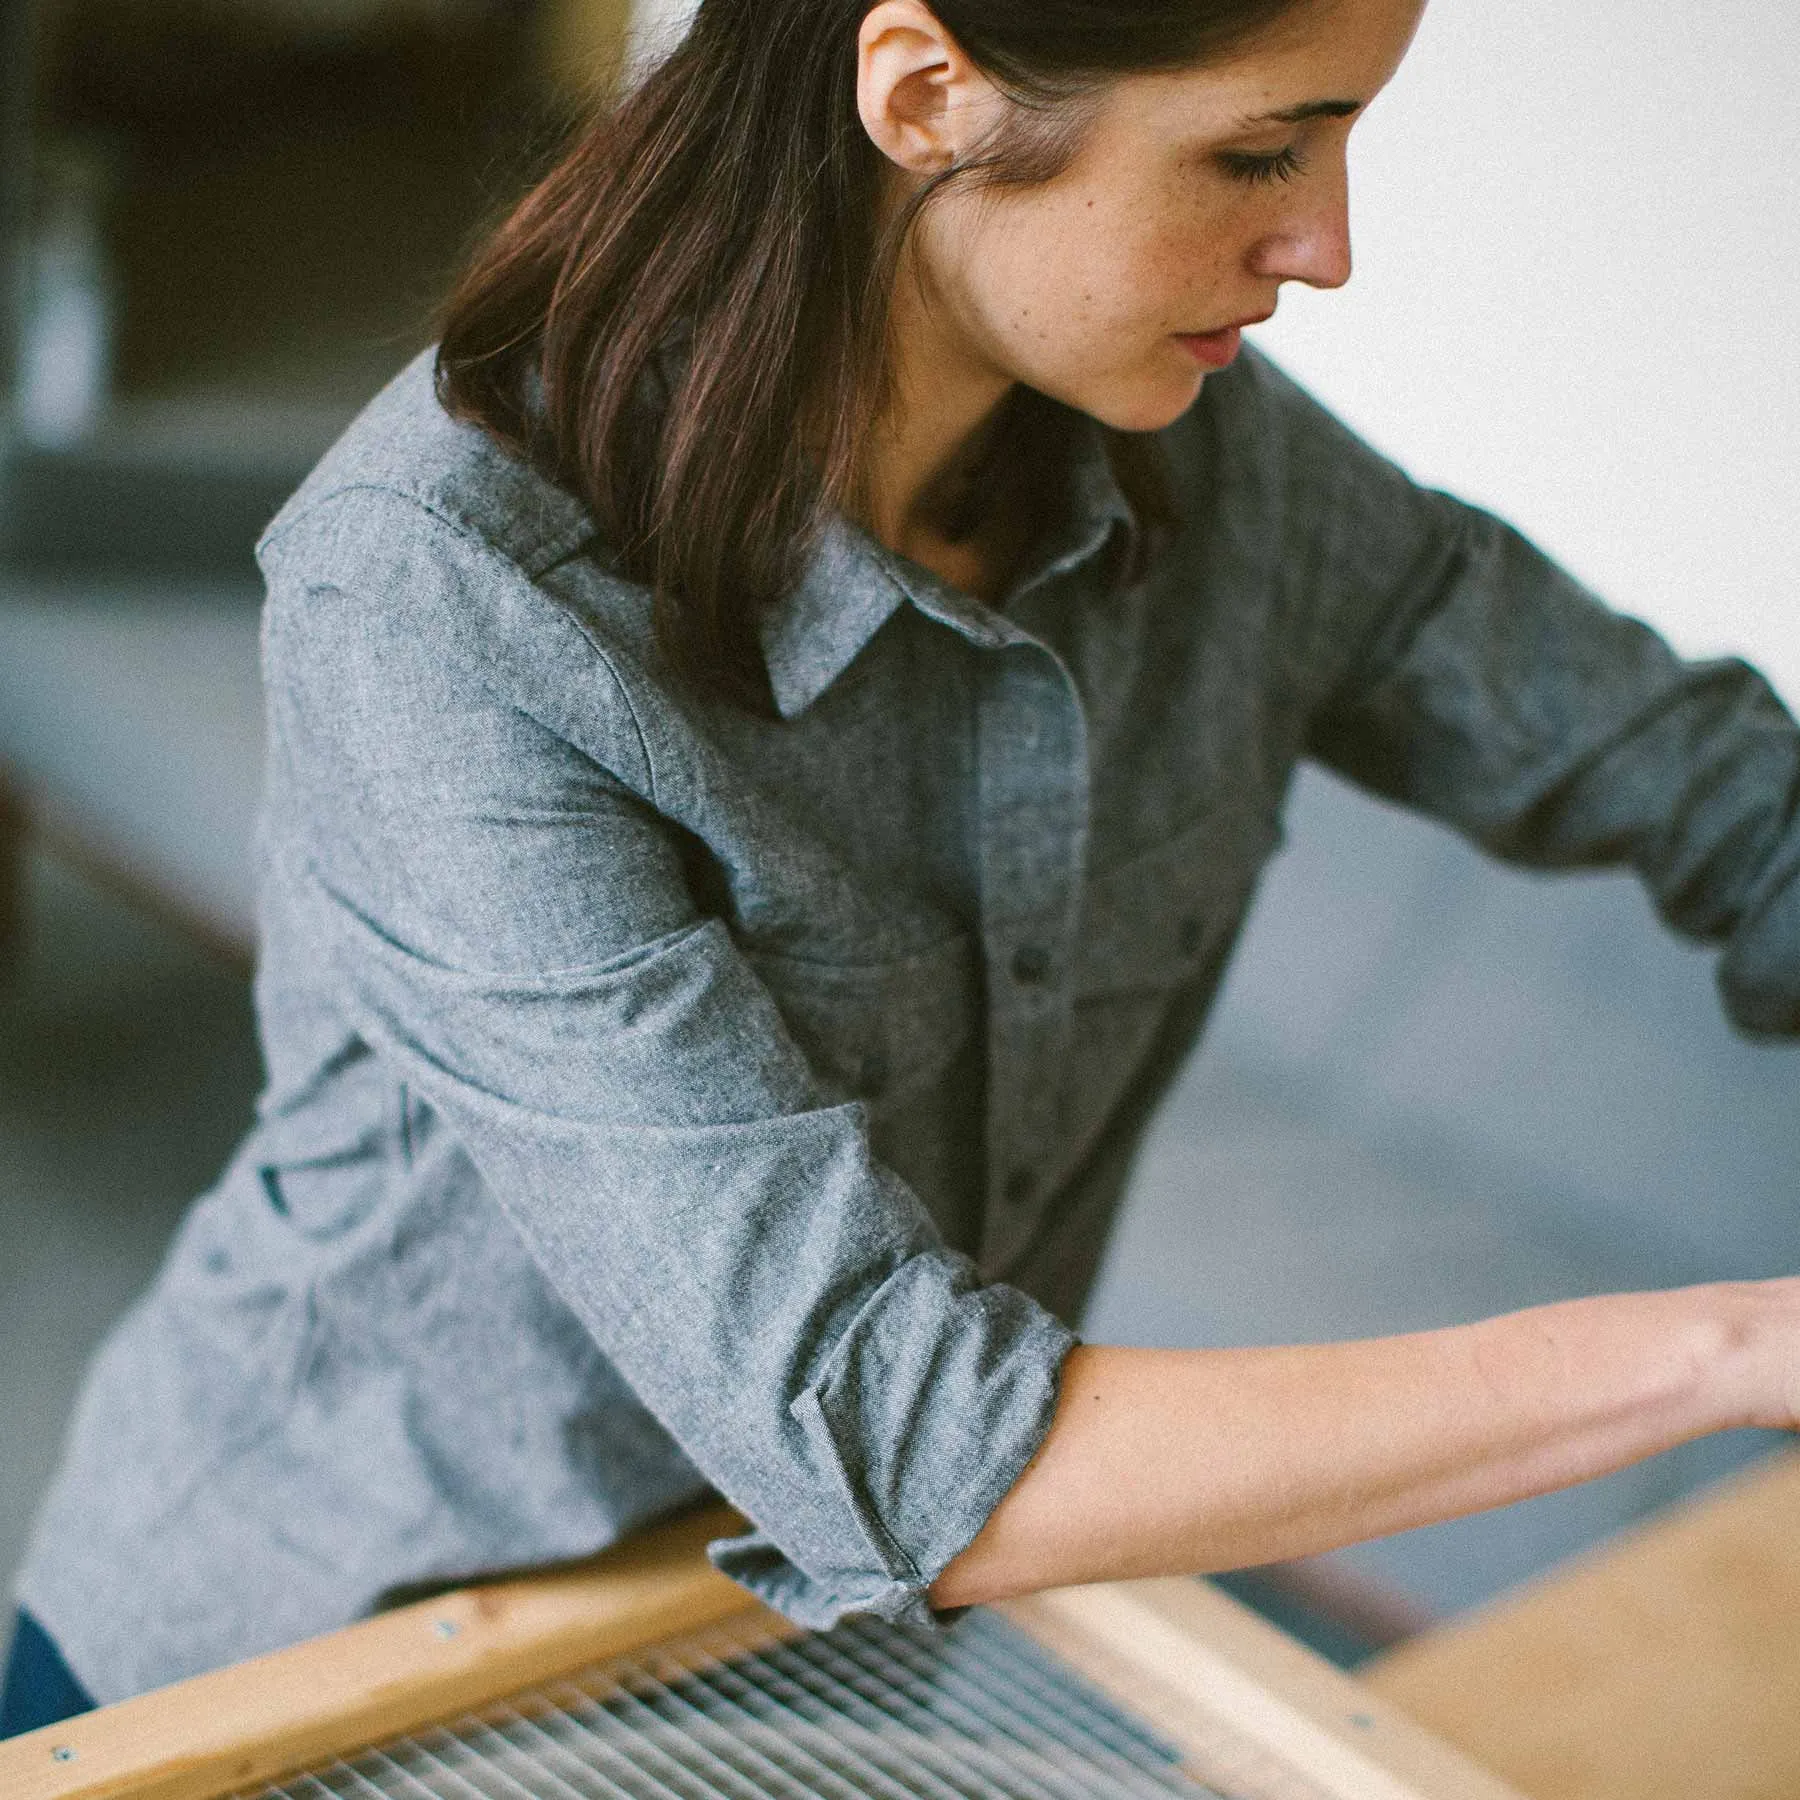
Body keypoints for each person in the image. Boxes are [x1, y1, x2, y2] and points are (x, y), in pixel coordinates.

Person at [7, 0, 1799, 1739]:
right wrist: (1734, 1353)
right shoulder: (443, 596)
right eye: (1260, 150)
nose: (1326, 246)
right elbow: (901, 1431)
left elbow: (1719, 789)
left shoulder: (1230, 472)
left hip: (810, 1663)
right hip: (318, 1663)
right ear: (924, 88)